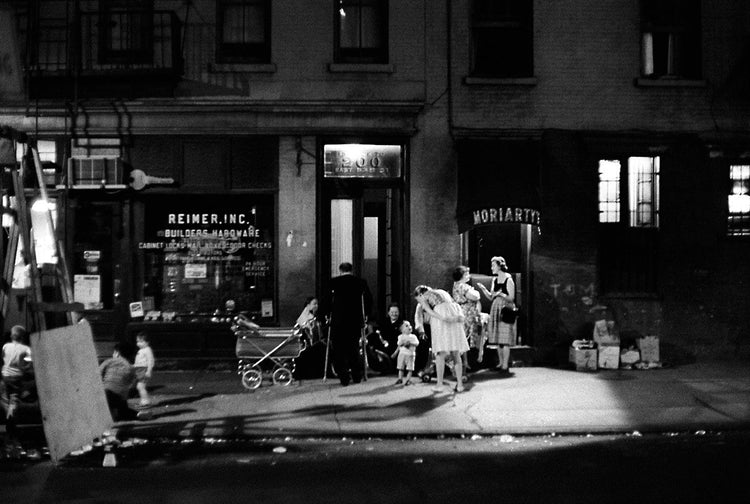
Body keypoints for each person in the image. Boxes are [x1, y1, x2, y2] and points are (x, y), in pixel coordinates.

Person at [414, 285, 469, 392]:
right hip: (454, 312)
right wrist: (457, 318)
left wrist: (443, 318)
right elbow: (456, 305)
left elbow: (429, 311)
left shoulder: (425, 296)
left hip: (441, 316)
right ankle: (460, 384)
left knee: (440, 353)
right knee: (455, 352)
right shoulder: (442, 292)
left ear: (420, 294)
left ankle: (439, 384)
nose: (419, 303)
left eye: (418, 300)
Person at [325, 262, 373, 386]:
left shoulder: (333, 282)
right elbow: (368, 299)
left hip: (338, 321)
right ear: (351, 270)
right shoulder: (360, 282)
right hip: (354, 321)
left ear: (340, 270)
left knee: (339, 350)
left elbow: (326, 300)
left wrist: (325, 315)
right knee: (354, 349)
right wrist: (366, 315)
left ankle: (344, 378)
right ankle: (357, 376)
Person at [477, 256, 516, 373]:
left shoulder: (508, 279)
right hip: (496, 309)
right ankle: (500, 363)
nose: (492, 268)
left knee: (505, 339)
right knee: (499, 339)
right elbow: (491, 297)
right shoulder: (495, 280)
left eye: (493, 265)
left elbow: (511, 297)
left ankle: (505, 365)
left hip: (505, 309)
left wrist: (501, 294)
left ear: (499, 266)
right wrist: (484, 290)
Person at [99, 344, 150, 421]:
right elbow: (126, 389)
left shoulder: (109, 361)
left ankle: (112, 415)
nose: (113, 354)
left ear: (117, 353)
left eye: (113, 353)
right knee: (123, 410)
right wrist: (123, 402)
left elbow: (97, 374)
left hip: (105, 393)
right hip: (118, 396)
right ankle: (137, 414)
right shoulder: (130, 368)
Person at [451, 265, 482, 372]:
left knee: (463, 338)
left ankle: (464, 363)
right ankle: (465, 364)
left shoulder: (456, 285)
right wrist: (477, 292)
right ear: (462, 275)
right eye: (467, 273)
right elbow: (476, 296)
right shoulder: (463, 286)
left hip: (460, 312)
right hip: (466, 313)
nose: (469, 275)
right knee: (466, 338)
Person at [2, 325, 33, 425]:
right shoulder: (26, 349)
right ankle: (11, 421)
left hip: (5, 376)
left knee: (7, 397)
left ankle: (8, 410)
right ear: (23, 337)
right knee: (14, 399)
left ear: (11, 336)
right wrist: (25, 368)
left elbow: (3, 358)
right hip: (17, 378)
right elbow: (29, 363)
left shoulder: (5, 346)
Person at [392, 320, 420, 386]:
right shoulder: (400, 337)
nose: (409, 327)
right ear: (402, 330)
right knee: (400, 368)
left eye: (410, 325)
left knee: (410, 368)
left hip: (410, 355)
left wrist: (410, 343)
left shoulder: (413, 336)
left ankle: (408, 380)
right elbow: (399, 345)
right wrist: (395, 352)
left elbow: (417, 343)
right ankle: (400, 378)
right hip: (402, 354)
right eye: (406, 326)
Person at [134, 332, 155, 407]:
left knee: (140, 386)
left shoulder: (147, 350)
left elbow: (150, 360)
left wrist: (149, 371)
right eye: (137, 341)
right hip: (140, 369)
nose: (138, 344)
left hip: (144, 370)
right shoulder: (142, 350)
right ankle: (143, 401)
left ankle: (146, 401)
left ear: (147, 342)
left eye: (141, 342)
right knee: (140, 386)